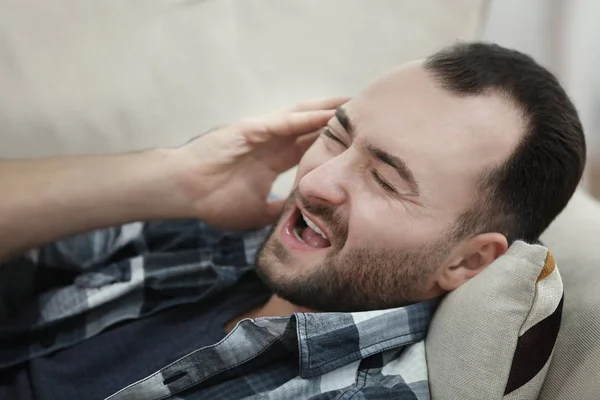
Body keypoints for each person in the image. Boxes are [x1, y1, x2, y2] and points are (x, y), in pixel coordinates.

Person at [0, 42, 585, 399]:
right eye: (337, 137)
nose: (314, 182)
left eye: (385, 180)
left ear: (466, 261)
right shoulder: (220, 239)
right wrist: (174, 178)